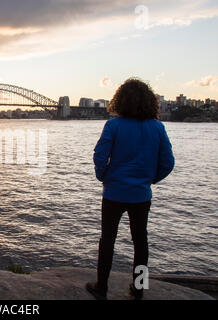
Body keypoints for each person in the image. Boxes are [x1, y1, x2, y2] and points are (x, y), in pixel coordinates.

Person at [86, 78, 175, 300]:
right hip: (141, 195)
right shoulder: (157, 127)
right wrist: (150, 180)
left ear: (121, 100)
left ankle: (101, 286)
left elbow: (99, 155)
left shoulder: (113, 125)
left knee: (107, 241)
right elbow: (168, 163)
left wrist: (103, 176)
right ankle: (139, 289)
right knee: (141, 243)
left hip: (114, 193)